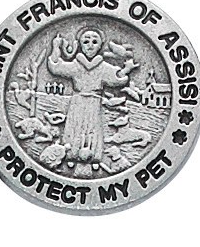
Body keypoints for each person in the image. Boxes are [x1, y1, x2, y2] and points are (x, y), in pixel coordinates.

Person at [47, 27, 135, 173]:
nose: (90, 45)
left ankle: (94, 157)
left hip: (94, 102)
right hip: (77, 101)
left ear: (100, 45)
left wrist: (127, 68)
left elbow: (117, 78)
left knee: (93, 129)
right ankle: (71, 155)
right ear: (80, 44)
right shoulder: (76, 65)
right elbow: (55, 67)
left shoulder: (103, 67)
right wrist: (56, 47)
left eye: (94, 42)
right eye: (86, 41)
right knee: (74, 127)